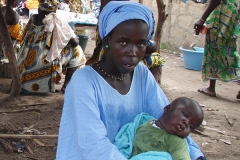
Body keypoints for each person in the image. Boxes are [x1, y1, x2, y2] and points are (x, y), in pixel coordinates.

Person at [56, 1, 205, 160]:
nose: (132, 52)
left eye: (140, 44)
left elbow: (166, 117)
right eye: (123, 42)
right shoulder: (84, 82)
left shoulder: (141, 73)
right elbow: (93, 144)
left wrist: (196, 155)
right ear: (107, 41)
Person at [17, 0, 86, 93]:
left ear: (39, 9)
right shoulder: (55, 20)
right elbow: (74, 42)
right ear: (54, 11)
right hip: (44, 60)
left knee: (57, 49)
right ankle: (66, 86)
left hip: (24, 62)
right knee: (77, 51)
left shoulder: (33, 18)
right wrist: (74, 37)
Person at [193, 0, 240, 99]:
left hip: (223, 15)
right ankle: (211, 88)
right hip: (232, 14)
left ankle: (211, 88)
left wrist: (202, 19)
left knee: (215, 48)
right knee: (227, 50)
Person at [131, 97, 204, 160]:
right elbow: (126, 137)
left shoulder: (176, 142)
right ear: (167, 108)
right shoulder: (144, 122)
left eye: (191, 126)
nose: (186, 123)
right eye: (185, 115)